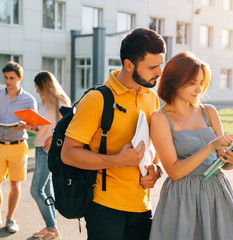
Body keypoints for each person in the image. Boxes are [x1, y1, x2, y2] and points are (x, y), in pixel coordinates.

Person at [61, 28, 165, 240]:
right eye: (153, 67)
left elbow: (151, 150)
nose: (159, 72)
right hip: (104, 209)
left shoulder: (151, 98)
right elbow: (68, 154)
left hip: (142, 207)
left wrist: (156, 170)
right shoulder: (96, 99)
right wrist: (116, 160)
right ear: (129, 64)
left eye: (160, 64)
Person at [149, 51, 233, 239]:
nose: (199, 88)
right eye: (192, 82)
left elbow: (225, 163)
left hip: (217, 193)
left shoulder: (209, 111)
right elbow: (175, 172)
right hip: (182, 198)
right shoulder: (160, 118)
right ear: (174, 81)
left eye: (201, 83)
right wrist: (211, 146)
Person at [0, 62, 37, 233]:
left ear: (20, 78)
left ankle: (10, 219)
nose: (8, 81)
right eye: (5, 77)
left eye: (11, 78)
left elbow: (35, 127)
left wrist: (24, 126)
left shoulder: (29, 99)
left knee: (15, 184)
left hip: (18, 146)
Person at [26, 71, 71, 240]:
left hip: (48, 150)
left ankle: (53, 229)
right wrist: (31, 126)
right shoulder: (44, 102)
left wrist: (54, 136)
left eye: (38, 87)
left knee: (36, 190)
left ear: (45, 85)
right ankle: (50, 226)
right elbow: (45, 125)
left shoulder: (60, 101)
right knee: (45, 190)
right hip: (39, 146)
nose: (36, 90)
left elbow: (69, 125)